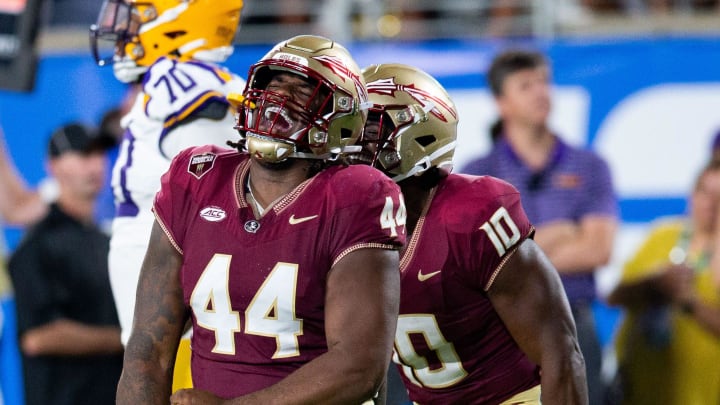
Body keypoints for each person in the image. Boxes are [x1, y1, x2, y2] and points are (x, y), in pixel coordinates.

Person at [119, 34, 406, 404]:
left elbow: (359, 366)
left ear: (342, 117)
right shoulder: (196, 177)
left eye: (302, 90)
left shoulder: (355, 195)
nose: (278, 99)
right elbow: (147, 347)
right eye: (272, 83)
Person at [358, 63, 587, 404]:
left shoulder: (470, 215)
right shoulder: (347, 219)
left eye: (371, 129)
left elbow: (561, 353)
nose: (352, 142)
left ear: (421, 132)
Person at [90, 0, 246, 390]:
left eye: (136, 15)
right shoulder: (175, 84)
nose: (119, 28)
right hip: (163, 288)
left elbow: (213, 204)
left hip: (180, 296)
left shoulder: (185, 89)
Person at [460, 49, 617, 404]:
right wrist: (562, 232)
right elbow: (473, 263)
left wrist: (516, 251)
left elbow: (597, 249)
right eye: (526, 85)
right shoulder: (478, 173)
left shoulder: (590, 166)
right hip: (500, 331)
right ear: (502, 103)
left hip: (574, 320)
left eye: (544, 82)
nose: (541, 92)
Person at [7, 123, 123, 405]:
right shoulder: (37, 245)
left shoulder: (108, 240)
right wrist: (127, 338)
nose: (95, 165)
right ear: (54, 166)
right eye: (83, 155)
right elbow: (39, 336)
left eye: (99, 154)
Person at [606, 160, 720, 405]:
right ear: (692, 195)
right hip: (639, 392)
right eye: (705, 192)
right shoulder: (663, 236)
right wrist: (652, 285)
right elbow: (614, 296)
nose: (712, 204)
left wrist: (691, 303)